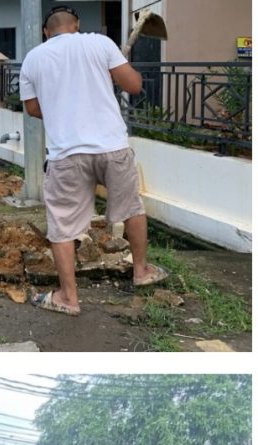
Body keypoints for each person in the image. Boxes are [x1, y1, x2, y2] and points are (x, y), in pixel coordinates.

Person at [19, 5, 167, 316]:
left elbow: (32, 108)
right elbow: (134, 85)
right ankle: (141, 272)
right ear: (76, 25)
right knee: (132, 209)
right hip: (112, 147)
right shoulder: (100, 43)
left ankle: (68, 298)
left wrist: (62, 110)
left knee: (61, 225)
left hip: (66, 154)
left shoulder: (34, 58)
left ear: (46, 32)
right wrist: (126, 68)